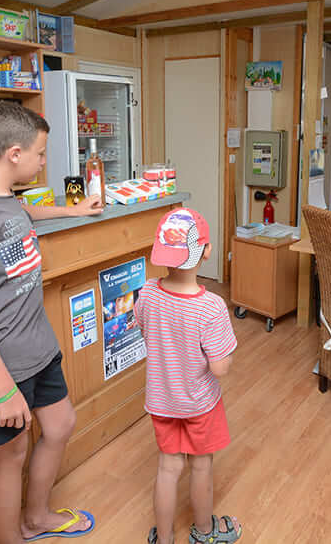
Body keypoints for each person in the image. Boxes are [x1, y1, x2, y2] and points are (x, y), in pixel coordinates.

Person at [0, 102, 104, 543]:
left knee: (60, 425)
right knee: (9, 456)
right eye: (40, 153)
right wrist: (3, 388)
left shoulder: (4, 200)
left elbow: (23, 217)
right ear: (14, 153)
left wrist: (72, 212)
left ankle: (36, 517)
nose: (43, 160)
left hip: (37, 347)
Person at [135, 208, 241, 544]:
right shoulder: (210, 306)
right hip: (200, 404)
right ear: (206, 250)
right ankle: (205, 533)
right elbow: (220, 367)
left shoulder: (148, 292)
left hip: (162, 401)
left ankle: (164, 539)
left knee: (168, 469)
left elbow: (144, 330)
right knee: (200, 467)